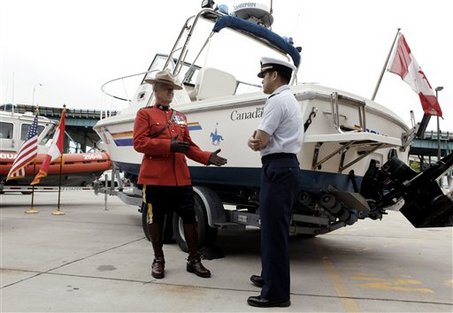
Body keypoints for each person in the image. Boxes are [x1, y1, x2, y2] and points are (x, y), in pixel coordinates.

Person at [133, 69, 227, 279]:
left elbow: (188, 146)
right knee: (155, 219)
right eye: (166, 88)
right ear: (156, 90)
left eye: (172, 89)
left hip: (180, 178)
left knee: (190, 218)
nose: (170, 92)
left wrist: (206, 157)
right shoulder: (144, 114)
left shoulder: (180, 117)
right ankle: (158, 259)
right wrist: (169, 145)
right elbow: (139, 143)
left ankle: (194, 260)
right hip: (155, 178)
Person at [247, 57, 303, 308]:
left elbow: (260, 139)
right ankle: (270, 277)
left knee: (273, 232)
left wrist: (256, 140)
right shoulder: (290, 100)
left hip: (277, 167)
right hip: (285, 166)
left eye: (264, 75)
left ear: (274, 76)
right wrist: (260, 140)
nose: (262, 81)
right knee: (273, 229)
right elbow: (263, 140)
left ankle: (277, 294)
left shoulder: (276, 101)